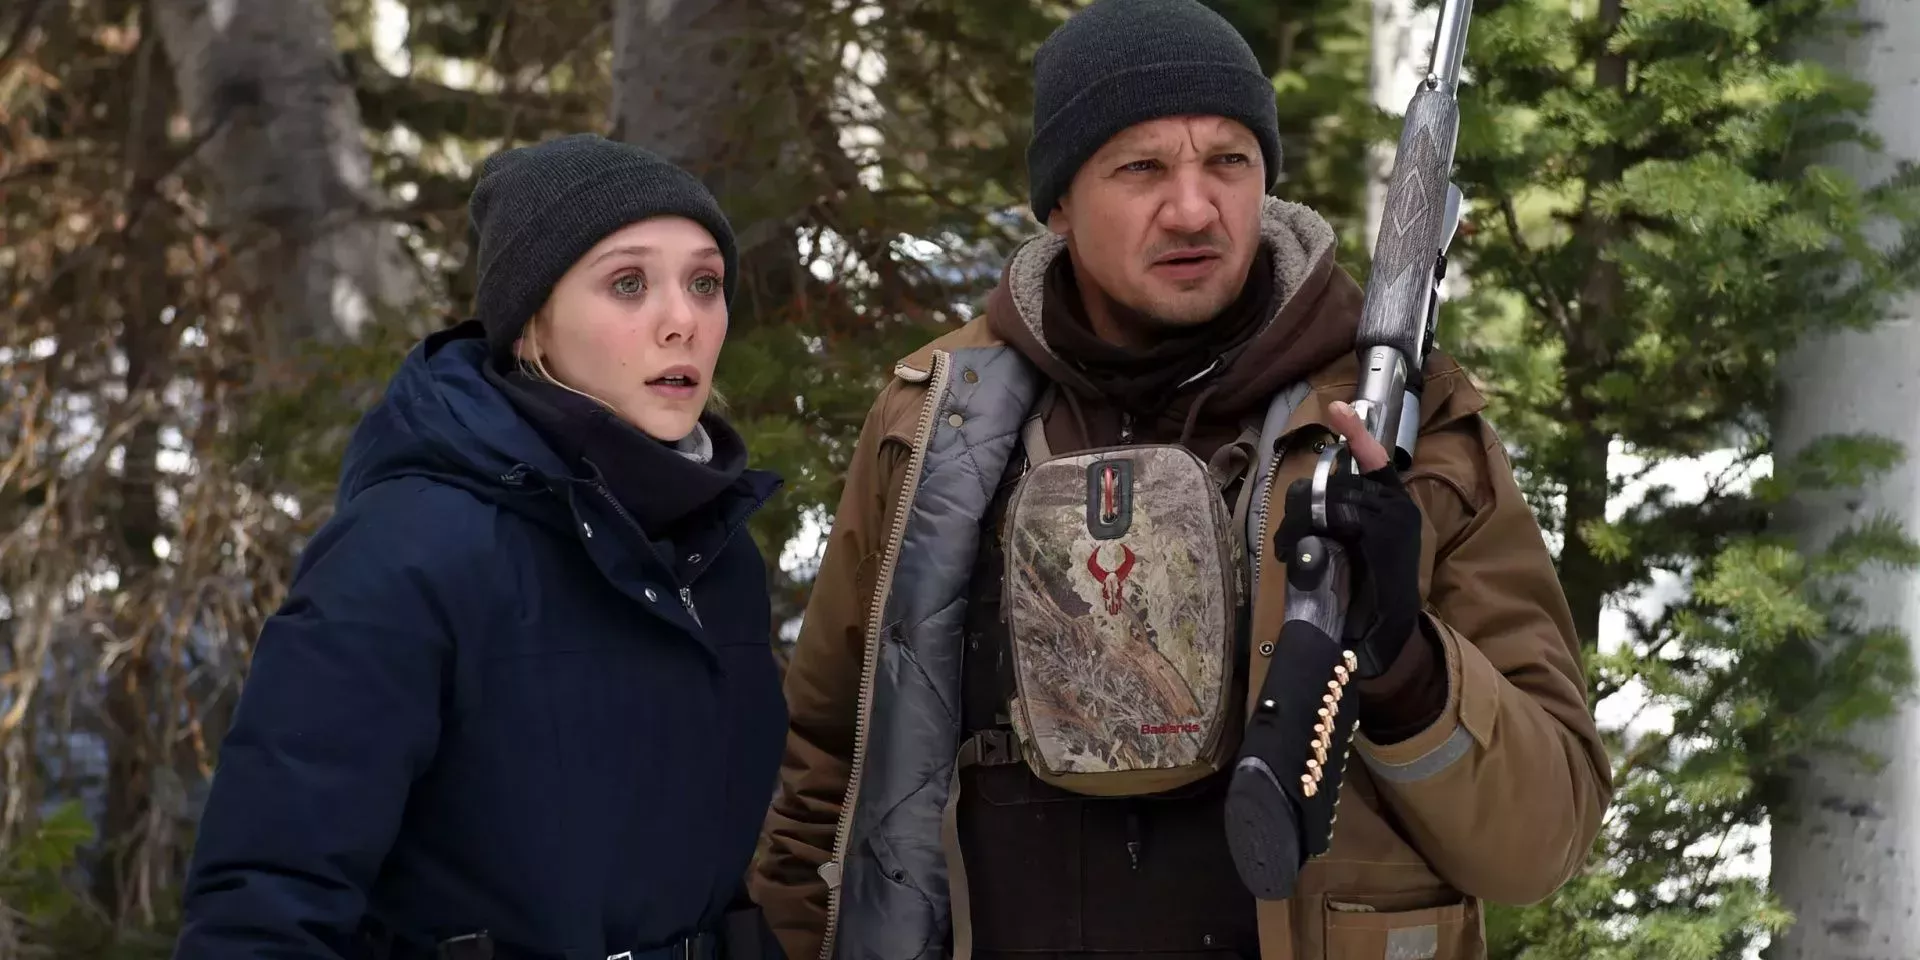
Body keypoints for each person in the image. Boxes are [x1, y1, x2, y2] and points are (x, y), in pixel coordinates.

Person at [747, 1, 1612, 958]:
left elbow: (1545, 841)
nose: (1195, 209)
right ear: (1059, 203)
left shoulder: (1401, 430)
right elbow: (821, 781)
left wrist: (1407, 664)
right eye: (1142, 168)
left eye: (1229, 161)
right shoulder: (936, 421)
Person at [173, 134, 788, 960]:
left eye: (704, 283)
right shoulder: (408, 550)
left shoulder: (715, 554)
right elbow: (265, 903)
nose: (683, 321)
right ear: (531, 326)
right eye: (628, 283)